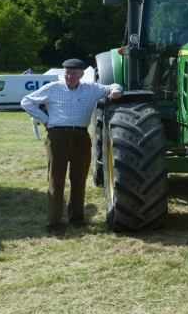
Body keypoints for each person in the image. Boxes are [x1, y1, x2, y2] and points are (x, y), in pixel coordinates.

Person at [21, 59, 122, 235]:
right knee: (56, 179)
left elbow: (114, 85)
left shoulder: (91, 88)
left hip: (80, 138)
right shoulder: (53, 88)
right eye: (67, 72)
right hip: (57, 137)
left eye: (74, 73)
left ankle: (76, 219)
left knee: (79, 179)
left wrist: (115, 90)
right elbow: (26, 101)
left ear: (81, 74)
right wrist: (45, 120)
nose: (70, 76)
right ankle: (54, 223)